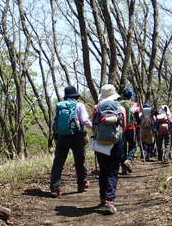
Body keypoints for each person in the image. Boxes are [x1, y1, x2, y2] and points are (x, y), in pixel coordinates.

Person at [50, 86, 92, 197]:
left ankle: (55, 188)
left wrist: (56, 133)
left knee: (58, 162)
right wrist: (94, 127)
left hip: (62, 137)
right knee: (79, 161)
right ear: (75, 96)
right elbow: (84, 120)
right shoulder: (79, 105)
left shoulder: (59, 106)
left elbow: (54, 122)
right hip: (77, 136)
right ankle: (81, 184)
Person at [92, 84, 126, 214]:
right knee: (113, 171)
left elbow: (93, 125)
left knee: (103, 170)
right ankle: (110, 201)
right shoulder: (120, 108)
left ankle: (102, 197)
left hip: (100, 142)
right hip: (116, 142)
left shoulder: (96, 108)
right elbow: (124, 125)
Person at [119, 87, 140, 174]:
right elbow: (137, 118)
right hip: (131, 128)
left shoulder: (118, 104)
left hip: (121, 128)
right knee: (133, 146)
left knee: (123, 148)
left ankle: (124, 169)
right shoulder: (134, 105)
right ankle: (128, 160)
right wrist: (139, 124)